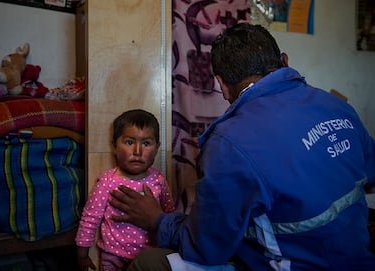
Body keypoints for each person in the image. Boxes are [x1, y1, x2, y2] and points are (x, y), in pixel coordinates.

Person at [109, 23, 375, 270]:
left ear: (222, 86)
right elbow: (369, 174)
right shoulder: (336, 105)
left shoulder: (229, 143)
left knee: (148, 262)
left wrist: (157, 220)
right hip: (360, 260)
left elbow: (206, 248)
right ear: (284, 62)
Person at [75, 109, 175, 271]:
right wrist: (82, 255)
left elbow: (169, 214)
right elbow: (90, 219)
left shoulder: (159, 180)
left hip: (150, 259)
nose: (137, 151)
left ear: (156, 148)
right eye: (129, 142)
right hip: (113, 257)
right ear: (115, 146)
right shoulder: (107, 182)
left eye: (146, 143)